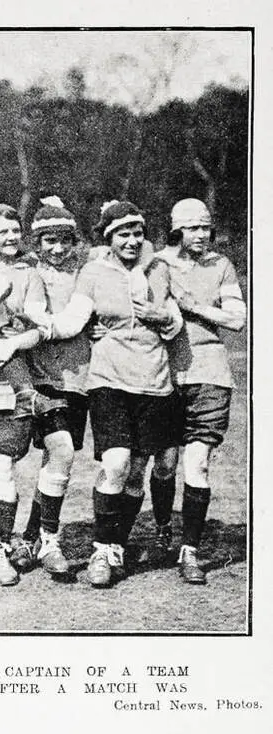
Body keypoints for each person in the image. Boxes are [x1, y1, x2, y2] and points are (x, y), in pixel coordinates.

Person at [43, 200, 182, 587]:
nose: (133, 240)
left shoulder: (158, 271)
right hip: (109, 381)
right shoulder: (93, 272)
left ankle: (116, 544)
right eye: (124, 234)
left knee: (138, 472)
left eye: (138, 233)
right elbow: (72, 320)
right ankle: (101, 549)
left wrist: (160, 317)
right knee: (117, 463)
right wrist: (37, 327)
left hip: (155, 382)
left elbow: (173, 327)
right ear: (109, 238)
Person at [0, 203, 75, 585]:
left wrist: (19, 333)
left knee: (5, 466)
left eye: (15, 231)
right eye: (2, 232)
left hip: (12, 385)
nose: (11, 238)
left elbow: (41, 326)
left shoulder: (29, 274)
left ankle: (1, 548)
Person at [147, 198, 246, 584]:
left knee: (198, 462)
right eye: (193, 228)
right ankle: (161, 529)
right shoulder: (156, 263)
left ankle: (190, 551)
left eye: (206, 227)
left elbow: (237, 318)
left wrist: (195, 307)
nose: (201, 235)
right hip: (164, 369)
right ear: (176, 229)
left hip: (210, 368)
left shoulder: (220, 265)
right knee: (165, 461)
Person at [12, 197, 92, 572]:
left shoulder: (86, 272)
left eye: (64, 240)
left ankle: (31, 538)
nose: (57, 249)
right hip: (40, 377)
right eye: (49, 241)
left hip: (77, 379)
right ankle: (49, 541)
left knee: (55, 459)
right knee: (60, 452)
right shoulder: (28, 272)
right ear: (36, 242)